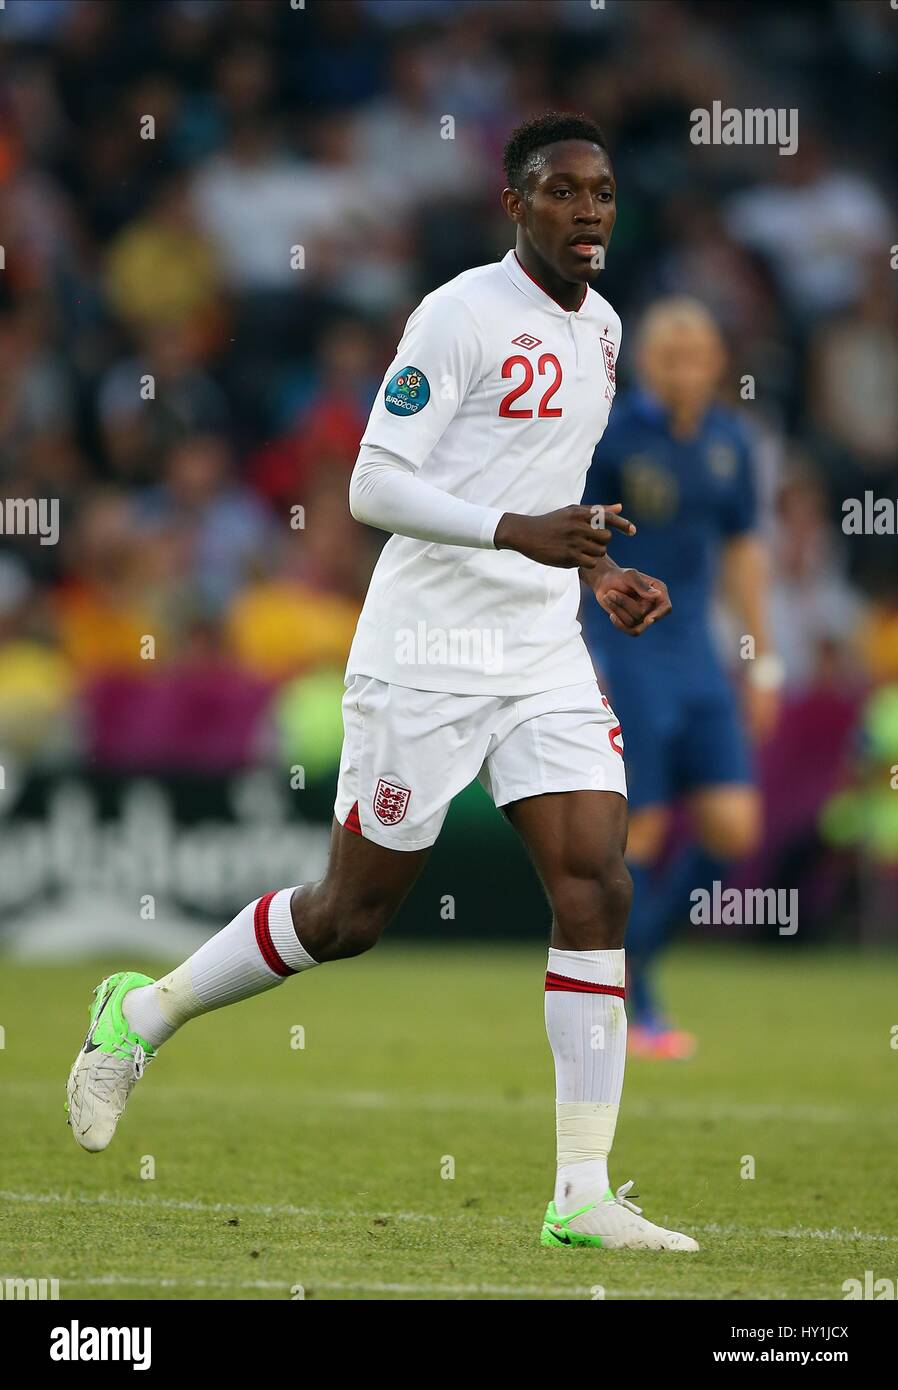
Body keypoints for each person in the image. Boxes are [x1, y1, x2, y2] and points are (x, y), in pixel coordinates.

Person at [66, 112, 697, 1252]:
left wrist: (597, 569)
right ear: (516, 207)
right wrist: (517, 531)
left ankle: (580, 1191)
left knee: (596, 880)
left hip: (542, 648)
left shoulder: (605, 330)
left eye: (601, 191)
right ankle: (141, 1011)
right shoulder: (455, 315)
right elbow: (373, 485)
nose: (589, 209)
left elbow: (548, 493)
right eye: (562, 191)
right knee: (349, 916)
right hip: (426, 653)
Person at [581, 298, 780, 1058]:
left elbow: (745, 553)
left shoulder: (731, 440)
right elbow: (579, 536)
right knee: (647, 829)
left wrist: (765, 659)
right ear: (646, 362)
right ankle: (632, 1001)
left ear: (716, 363)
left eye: (697, 352)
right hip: (628, 647)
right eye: (669, 352)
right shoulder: (615, 435)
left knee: (733, 826)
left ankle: (637, 961)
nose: (683, 365)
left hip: (698, 653)